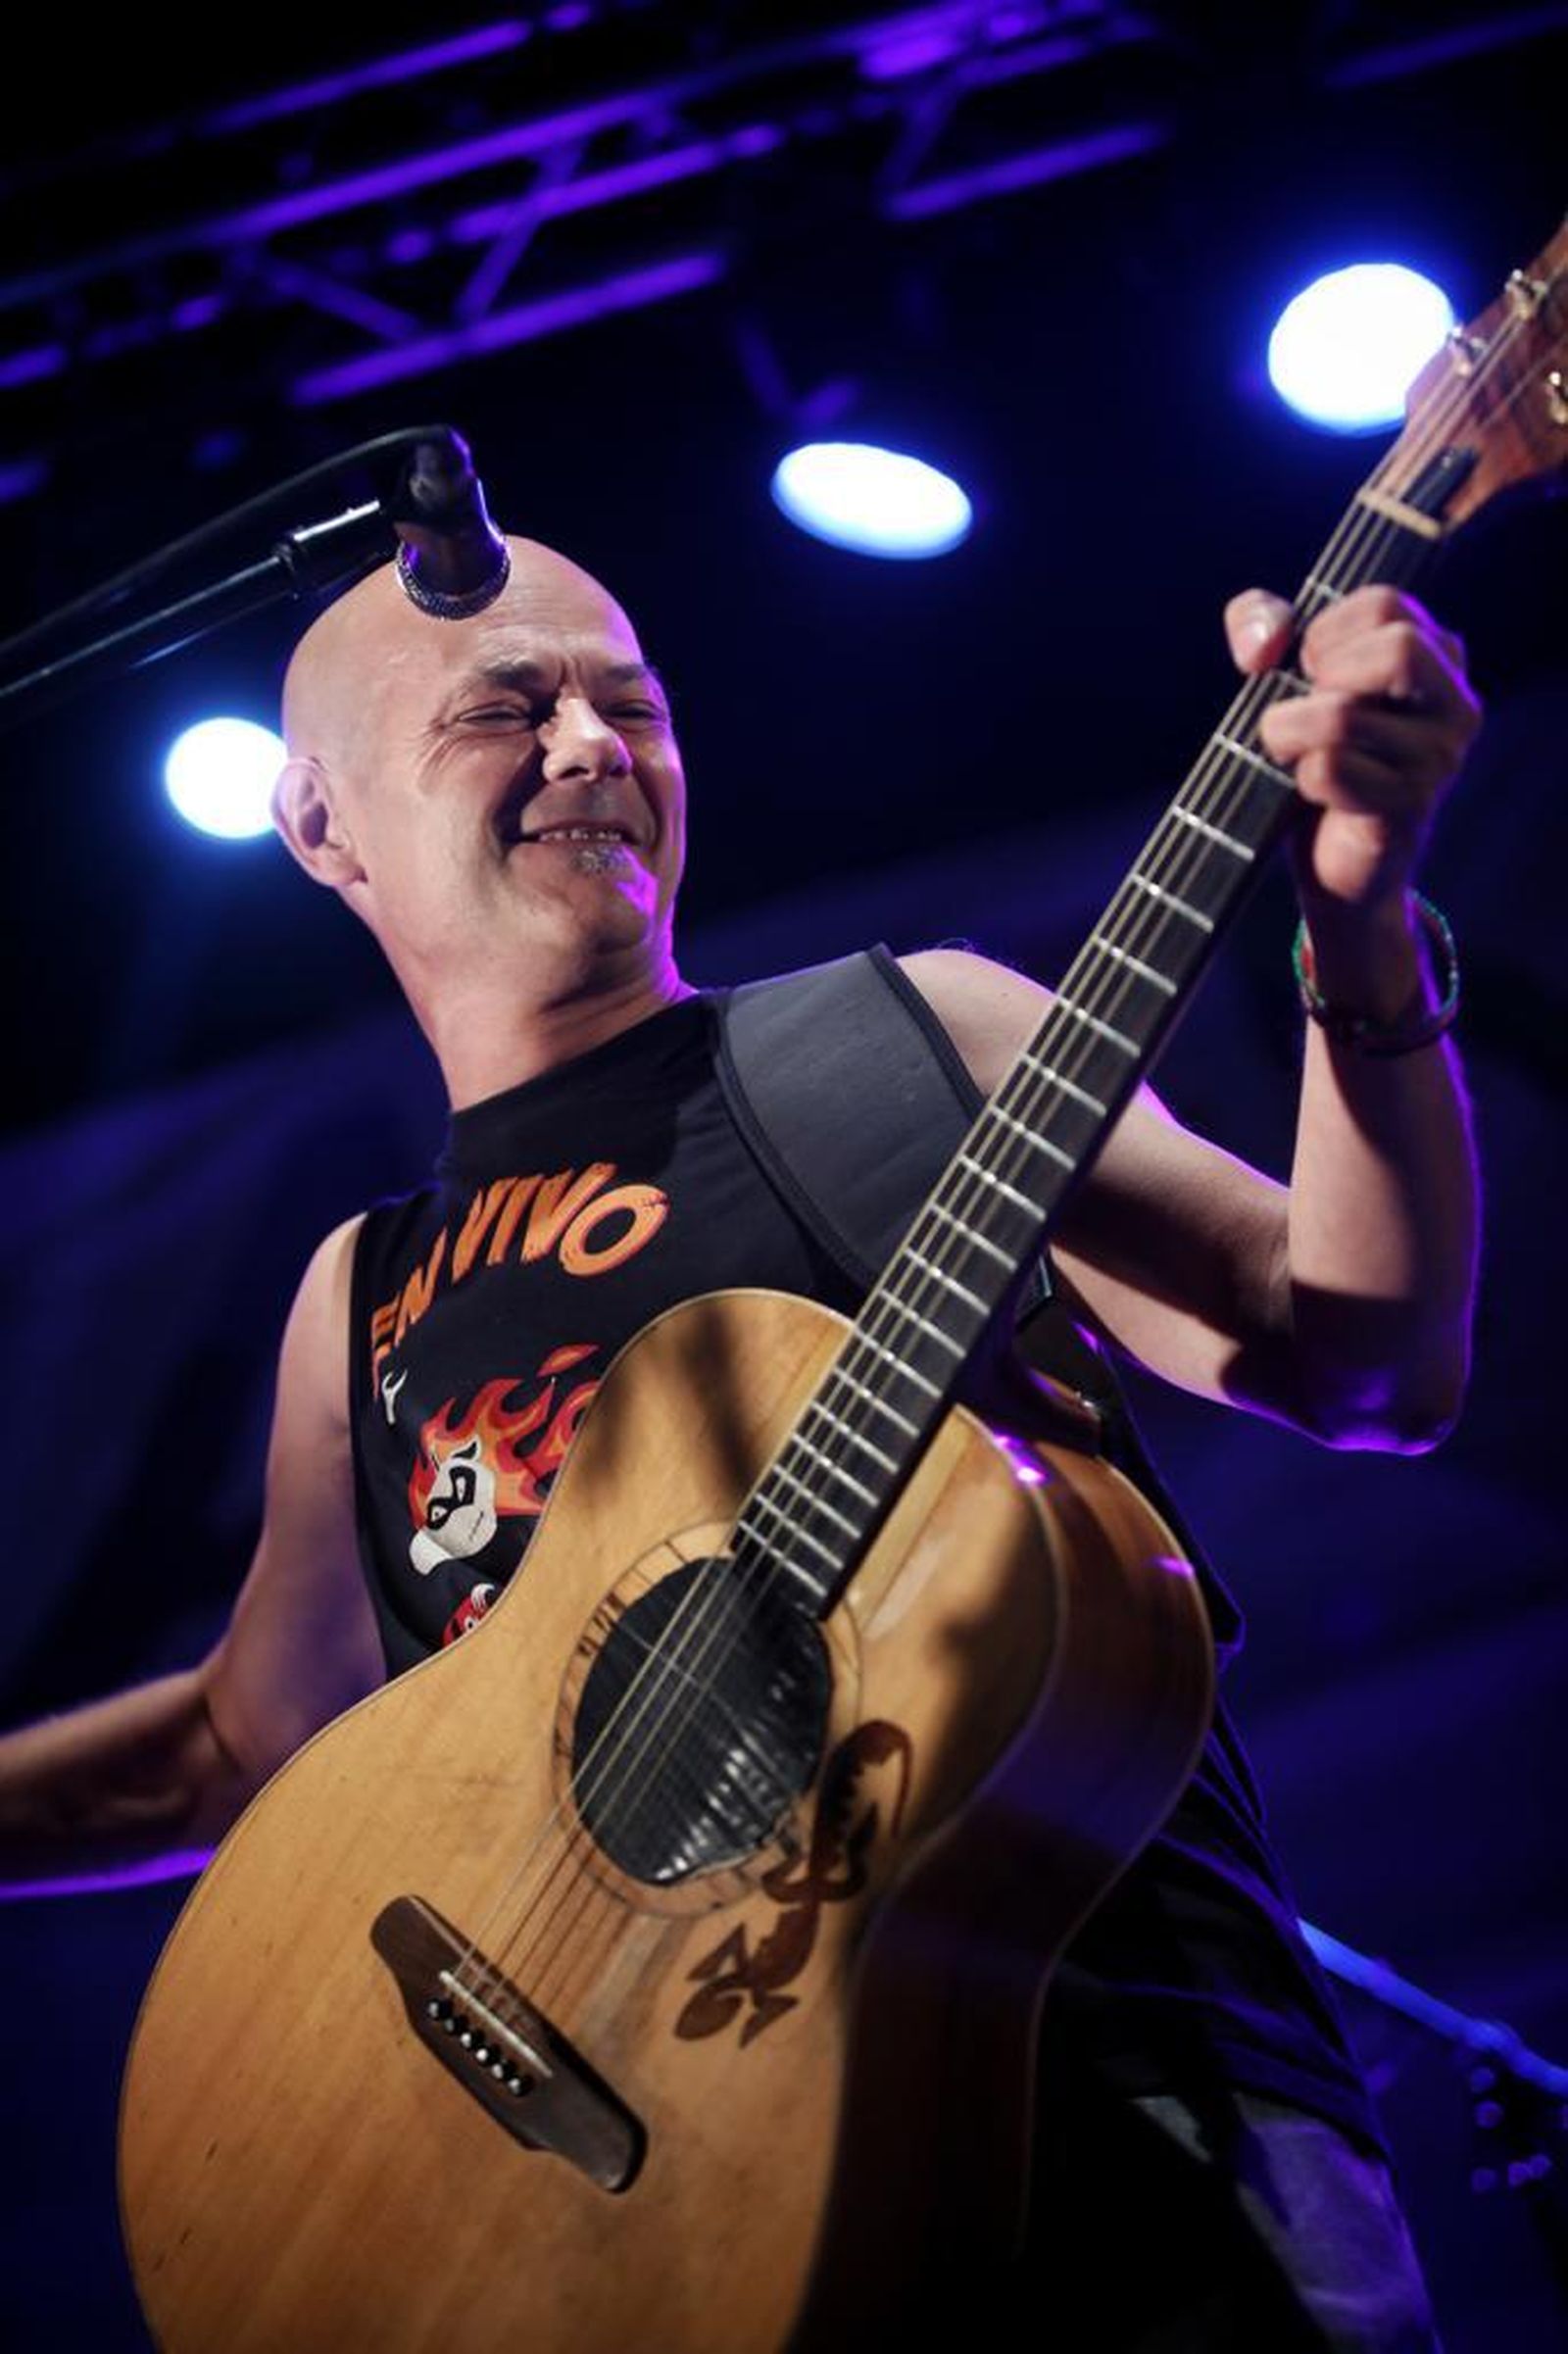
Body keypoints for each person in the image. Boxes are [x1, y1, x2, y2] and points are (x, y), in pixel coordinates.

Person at [0, 535, 1479, 2348]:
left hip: (1128, 2137)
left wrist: (1358, 910)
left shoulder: (911, 1038)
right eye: (505, 706)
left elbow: (1367, 1356)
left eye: (630, 702)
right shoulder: (356, 1293)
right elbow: (244, 1738)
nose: (590, 745)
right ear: (323, 827)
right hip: (648, 2235)